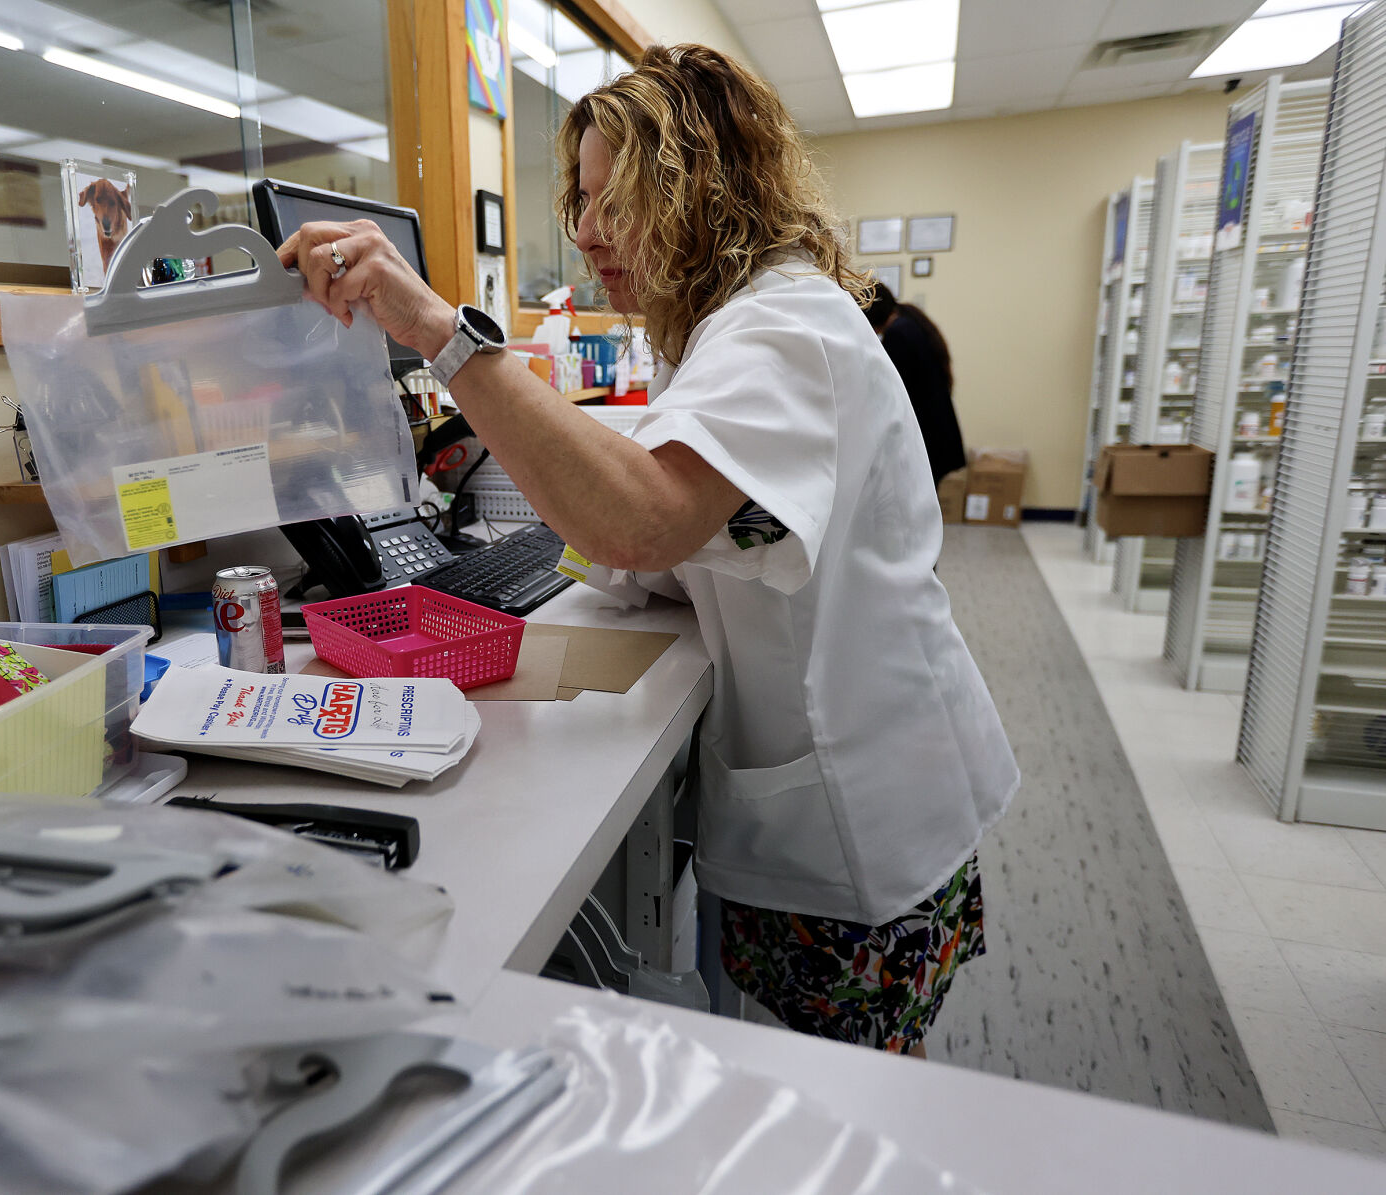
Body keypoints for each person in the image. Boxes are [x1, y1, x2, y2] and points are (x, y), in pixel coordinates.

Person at [276, 44, 1019, 1056]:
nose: (584, 233)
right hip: (865, 779)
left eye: (613, 201)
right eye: (578, 203)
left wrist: (437, 331)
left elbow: (643, 519)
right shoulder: (722, 330)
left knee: (850, 1111)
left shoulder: (783, 326)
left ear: (704, 190)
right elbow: (684, 532)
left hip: (860, 817)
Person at [865, 283, 966, 484]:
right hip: (937, 432)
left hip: (927, 436)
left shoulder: (898, 334)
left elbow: (893, 390)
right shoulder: (909, 322)